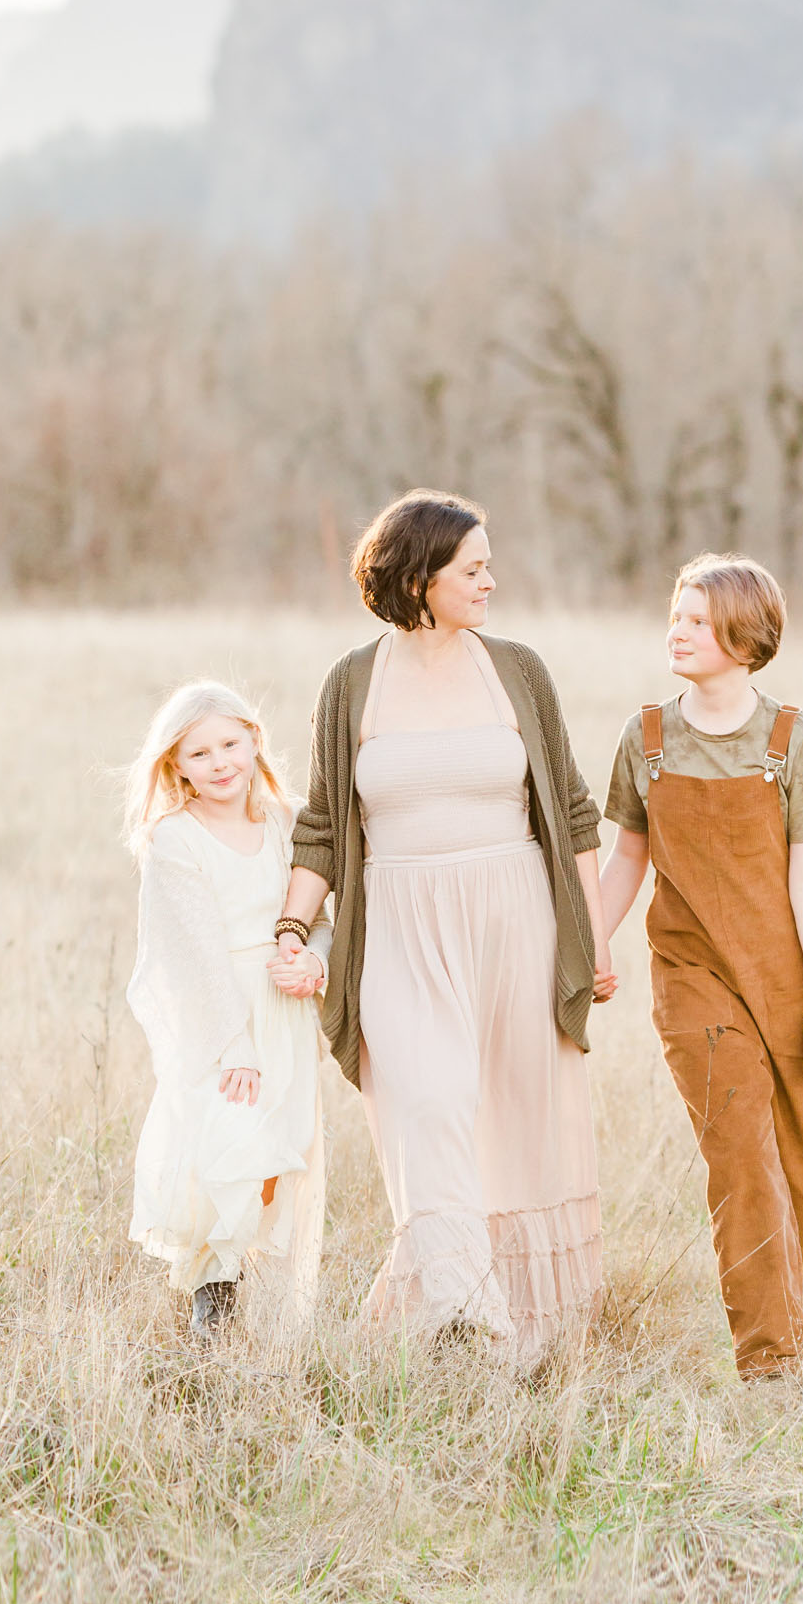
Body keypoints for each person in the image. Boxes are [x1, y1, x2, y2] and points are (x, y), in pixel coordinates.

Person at [273, 490, 614, 1365]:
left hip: (515, 926)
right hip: (398, 928)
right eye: (474, 569)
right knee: (426, 1105)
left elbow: (571, 815)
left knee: (512, 1121)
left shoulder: (517, 671)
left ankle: (518, 1336)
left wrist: (596, 938)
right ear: (419, 579)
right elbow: (320, 825)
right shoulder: (352, 682)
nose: (491, 581)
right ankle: (469, 1316)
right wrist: (290, 928)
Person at [599, 554, 803, 1380]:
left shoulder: (790, 740)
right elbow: (627, 859)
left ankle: (795, 1323)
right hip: (691, 976)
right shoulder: (647, 738)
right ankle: (768, 1357)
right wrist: (591, 943)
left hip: (784, 978)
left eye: (698, 620)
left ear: (744, 638)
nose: (678, 629)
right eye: (675, 613)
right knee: (740, 1151)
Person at [124, 681, 331, 1339]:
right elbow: (197, 956)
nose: (219, 764)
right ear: (174, 765)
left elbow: (320, 914)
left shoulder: (286, 820)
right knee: (227, 1149)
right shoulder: (175, 838)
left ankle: (245, 1286)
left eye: (230, 744)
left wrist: (314, 961)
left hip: (284, 1007)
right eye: (199, 753)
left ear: (254, 741)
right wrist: (232, 1045)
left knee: (276, 1156)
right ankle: (212, 1302)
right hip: (221, 1020)